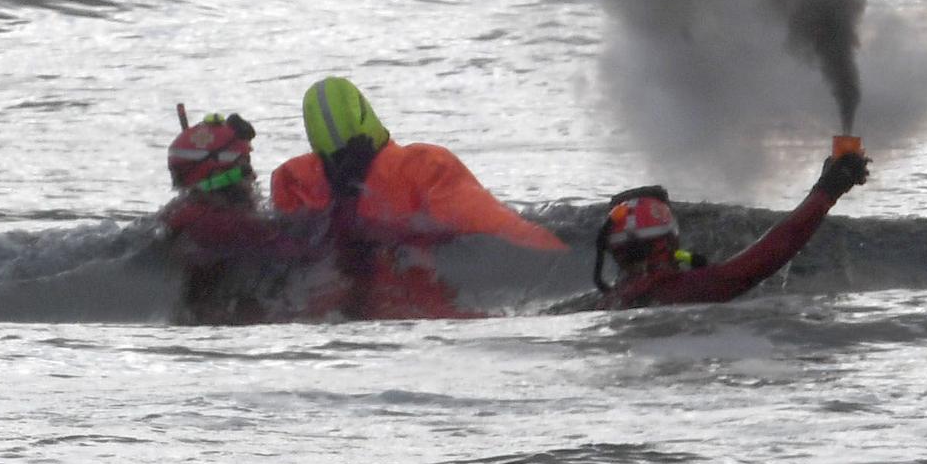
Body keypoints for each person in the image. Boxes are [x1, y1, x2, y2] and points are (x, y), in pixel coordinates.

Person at [270, 77, 565, 320]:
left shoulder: (295, 184)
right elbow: (502, 230)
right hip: (431, 314)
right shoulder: (425, 168)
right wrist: (569, 258)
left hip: (338, 318)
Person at [591, 148, 870, 310]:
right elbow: (773, 250)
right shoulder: (687, 289)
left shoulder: (610, 300)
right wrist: (828, 190)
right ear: (669, 240)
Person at [159, 106, 320, 325]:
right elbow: (305, 254)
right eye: (244, 166)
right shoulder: (228, 225)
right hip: (220, 325)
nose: (253, 176)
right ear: (217, 175)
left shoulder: (180, 213)